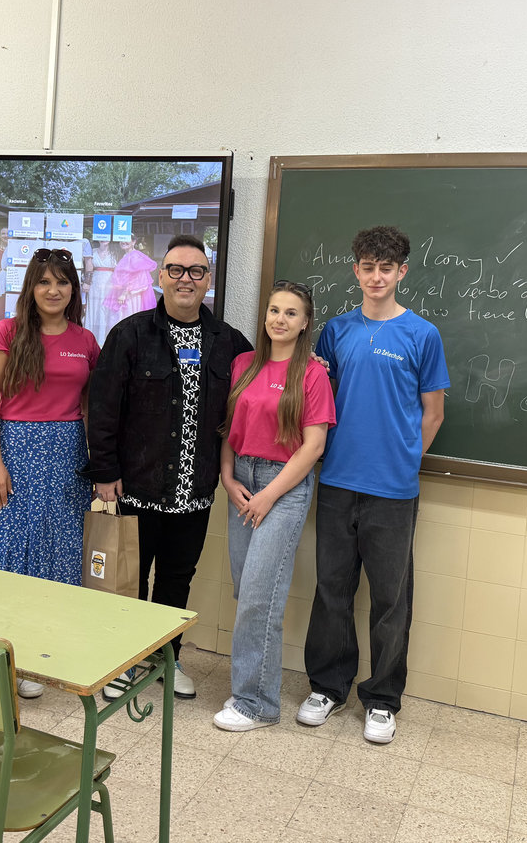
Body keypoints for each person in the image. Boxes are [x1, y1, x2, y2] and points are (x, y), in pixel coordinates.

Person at [296, 225, 449, 745]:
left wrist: (404, 460)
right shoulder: (336, 331)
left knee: (390, 598)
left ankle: (382, 699)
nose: (377, 276)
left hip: (393, 491)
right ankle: (328, 687)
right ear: (356, 270)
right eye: (368, 267)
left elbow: (433, 413)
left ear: (402, 272)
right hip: (338, 480)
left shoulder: (423, 335)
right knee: (331, 590)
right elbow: (318, 400)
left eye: (387, 268)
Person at [85, 233, 253, 698]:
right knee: (131, 579)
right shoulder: (131, 334)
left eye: (196, 271)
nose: (185, 279)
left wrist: (307, 361)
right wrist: (104, 472)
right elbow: (103, 408)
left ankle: (166, 658)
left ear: (208, 280)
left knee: (177, 581)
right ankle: (123, 660)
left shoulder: (229, 343)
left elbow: (267, 376)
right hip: (138, 486)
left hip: (195, 492)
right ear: (160, 277)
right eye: (176, 270)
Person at [0, 247, 99, 698]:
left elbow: (91, 407)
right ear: (31, 287)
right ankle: (1, 654)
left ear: (73, 289)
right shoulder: (7, 333)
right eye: (44, 281)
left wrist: (99, 463)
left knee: (58, 552)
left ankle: (42, 656)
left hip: (67, 457)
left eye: (62, 282)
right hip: (15, 453)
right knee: (9, 550)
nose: (53, 290)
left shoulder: (85, 340)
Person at [213, 280, 336, 731]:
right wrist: (228, 477)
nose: (279, 319)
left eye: (290, 313)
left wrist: (270, 494)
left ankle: (256, 704)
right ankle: (251, 689)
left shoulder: (313, 375)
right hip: (242, 481)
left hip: (283, 487)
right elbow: (230, 427)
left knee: (259, 599)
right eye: (274, 310)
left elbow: (313, 446)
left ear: (305, 323)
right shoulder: (243, 364)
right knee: (246, 591)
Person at [105, 235, 158, 328]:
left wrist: (124, 294)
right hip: (125, 294)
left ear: (133, 242)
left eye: (127, 239)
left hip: (131, 295)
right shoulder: (127, 255)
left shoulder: (135, 256)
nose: (123, 242)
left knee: (129, 321)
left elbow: (137, 278)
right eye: (122, 239)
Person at [87, 238, 120, 343]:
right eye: (101, 237)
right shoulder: (92, 252)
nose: (103, 240)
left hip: (110, 284)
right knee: (94, 308)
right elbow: (88, 269)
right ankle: (91, 338)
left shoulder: (115, 253)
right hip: (95, 283)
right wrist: (87, 282)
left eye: (105, 237)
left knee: (106, 310)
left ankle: (104, 339)